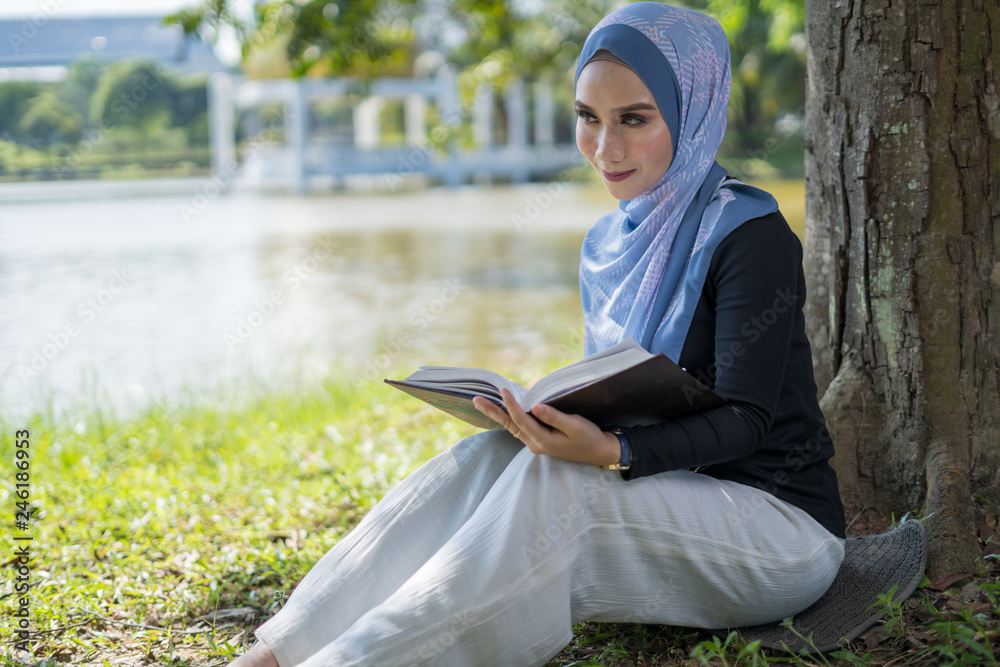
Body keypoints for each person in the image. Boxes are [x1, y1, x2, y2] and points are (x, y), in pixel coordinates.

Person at [230, 3, 846, 666]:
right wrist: (546, 422)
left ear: (692, 111)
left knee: (563, 485)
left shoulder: (749, 233)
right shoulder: (610, 242)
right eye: (588, 117)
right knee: (488, 460)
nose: (604, 148)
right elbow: (623, 387)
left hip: (780, 531)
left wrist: (614, 448)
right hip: (671, 504)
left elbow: (749, 420)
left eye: (633, 119)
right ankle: (275, 653)